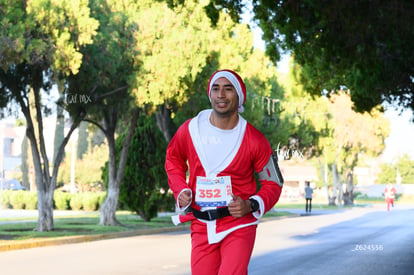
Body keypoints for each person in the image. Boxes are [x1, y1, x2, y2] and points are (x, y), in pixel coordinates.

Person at [165, 69, 284, 275]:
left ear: (239, 97)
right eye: (216, 89)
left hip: (238, 224)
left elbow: (273, 183)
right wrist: (180, 189)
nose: (221, 95)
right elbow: (173, 159)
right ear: (210, 95)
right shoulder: (190, 129)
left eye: (228, 89)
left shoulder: (255, 139)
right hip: (201, 224)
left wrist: (251, 204)